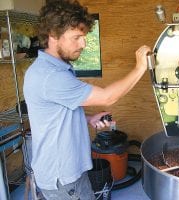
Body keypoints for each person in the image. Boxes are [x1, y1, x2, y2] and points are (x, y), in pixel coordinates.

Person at [23, 0, 151, 199]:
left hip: (70, 173)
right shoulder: (51, 76)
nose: (83, 44)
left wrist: (89, 119)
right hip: (63, 179)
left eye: (84, 37)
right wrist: (139, 68)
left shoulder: (55, 69)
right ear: (53, 36)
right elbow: (108, 97)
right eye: (77, 37)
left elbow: (60, 113)